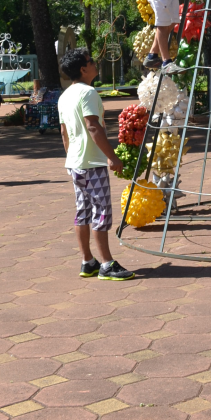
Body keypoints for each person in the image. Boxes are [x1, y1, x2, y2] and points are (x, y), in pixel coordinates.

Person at [57, 48, 134, 281]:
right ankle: (107, 264)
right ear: (83, 69)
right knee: (101, 212)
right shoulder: (88, 93)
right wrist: (112, 157)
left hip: (76, 163)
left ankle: (87, 261)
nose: (95, 64)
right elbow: (93, 127)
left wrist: (72, 158)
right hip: (92, 163)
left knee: (83, 212)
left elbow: (64, 133)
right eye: (91, 61)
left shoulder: (64, 96)